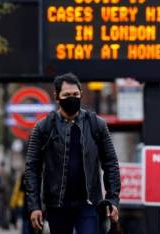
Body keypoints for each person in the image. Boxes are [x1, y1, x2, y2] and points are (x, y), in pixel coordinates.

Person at [25, 73, 121, 234]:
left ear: (81, 94)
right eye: (67, 95)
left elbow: (111, 163)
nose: (72, 98)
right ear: (57, 96)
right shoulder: (43, 128)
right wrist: (34, 206)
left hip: (88, 204)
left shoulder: (97, 125)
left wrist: (113, 199)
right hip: (57, 205)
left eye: (76, 94)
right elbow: (32, 169)